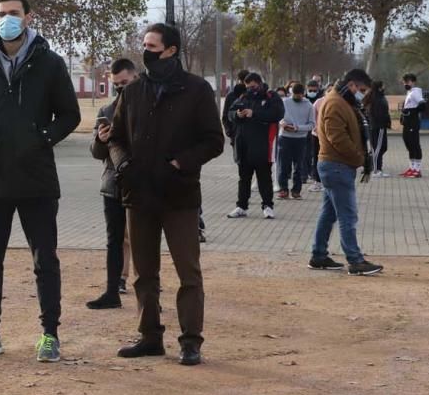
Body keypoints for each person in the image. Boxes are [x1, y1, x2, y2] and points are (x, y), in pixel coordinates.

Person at [0, 0, 81, 363]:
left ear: (28, 17)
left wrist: (43, 140)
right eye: (1, 13)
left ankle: (49, 335)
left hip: (37, 180)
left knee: (45, 260)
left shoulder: (51, 64)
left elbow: (70, 115)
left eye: (13, 12)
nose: (6, 19)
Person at [108, 23, 225, 366]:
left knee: (188, 273)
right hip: (138, 196)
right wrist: (123, 165)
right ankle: (149, 337)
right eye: (143, 45)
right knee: (145, 274)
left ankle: (191, 341)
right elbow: (115, 138)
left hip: (180, 197)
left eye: (152, 46)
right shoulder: (132, 92)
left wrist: (179, 163)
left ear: (171, 50)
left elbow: (214, 141)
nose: (145, 51)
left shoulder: (196, 90)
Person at [309, 69, 383, 276]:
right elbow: (337, 137)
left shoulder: (342, 101)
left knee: (329, 213)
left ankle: (318, 255)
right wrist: (359, 158)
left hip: (335, 165)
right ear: (351, 85)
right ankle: (355, 260)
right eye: (360, 90)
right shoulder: (335, 103)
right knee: (347, 215)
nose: (362, 94)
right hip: (337, 166)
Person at [87, 58, 137, 310]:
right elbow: (96, 153)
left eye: (125, 83)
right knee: (113, 240)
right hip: (112, 185)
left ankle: (148, 295)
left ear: (135, 78)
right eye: (116, 84)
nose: (120, 88)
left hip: (140, 184)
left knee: (142, 241)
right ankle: (111, 290)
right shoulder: (106, 112)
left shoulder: (149, 108)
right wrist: (100, 139)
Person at [226, 73, 284, 219]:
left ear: (259, 83)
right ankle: (241, 206)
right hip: (243, 145)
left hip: (263, 144)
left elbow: (277, 114)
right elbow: (230, 113)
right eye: (248, 87)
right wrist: (237, 115)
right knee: (243, 178)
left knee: (264, 177)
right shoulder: (243, 97)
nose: (250, 89)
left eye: (253, 86)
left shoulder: (271, 97)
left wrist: (254, 113)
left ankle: (267, 206)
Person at [276, 83, 314, 199]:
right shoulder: (284, 102)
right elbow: (278, 117)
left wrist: (298, 128)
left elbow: (312, 125)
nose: (297, 97)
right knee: (283, 165)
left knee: (299, 166)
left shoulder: (308, 105)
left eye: (299, 95)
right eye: (294, 95)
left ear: (303, 94)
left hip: (300, 139)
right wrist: (282, 123)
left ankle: (296, 190)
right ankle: (283, 189)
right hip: (285, 137)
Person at [399, 73, 425, 178]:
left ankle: (417, 170)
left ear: (413, 82)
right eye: (404, 82)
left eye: (408, 81)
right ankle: (412, 168)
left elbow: (422, 105)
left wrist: (413, 112)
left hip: (413, 123)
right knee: (408, 143)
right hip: (407, 123)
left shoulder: (415, 92)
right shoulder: (409, 92)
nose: (406, 83)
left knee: (414, 144)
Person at [222, 69, 249, 163]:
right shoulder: (231, 95)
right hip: (236, 134)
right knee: (240, 162)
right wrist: (230, 132)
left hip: (249, 134)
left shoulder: (252, 94)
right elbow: (225, 116)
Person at [367, 80, 392, 177]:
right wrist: (383, 122)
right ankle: (376, 170)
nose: (384, 87)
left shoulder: (380, 96)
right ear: (379, 87)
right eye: (383, 85)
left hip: (380, 126)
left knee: (382, 147)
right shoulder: (375, 98)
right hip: (377, 126)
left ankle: (378, 168)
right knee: (377, 148)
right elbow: (377, 114)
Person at [304, 80, 324, 191]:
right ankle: (314, 178)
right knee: (311, 155)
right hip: (314, 133)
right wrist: (315, 128)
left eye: (314, 90)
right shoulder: (317, 102)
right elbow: (313, 117)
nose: (312, 92)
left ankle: (321, 179)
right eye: (310, 90)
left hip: (327, 134)